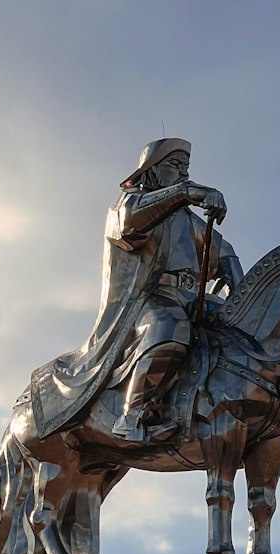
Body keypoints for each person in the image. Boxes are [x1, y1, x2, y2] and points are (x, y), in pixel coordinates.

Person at [106, 138, 244, 440]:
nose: (183, 172)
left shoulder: (184, 218)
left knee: (240, 333)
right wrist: (185, 192)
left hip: (193, 297)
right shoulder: (128, 205)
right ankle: (133, 414)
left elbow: (225, 251)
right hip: (149, 298)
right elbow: (131, 225)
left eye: (186, 167)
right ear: (152, 170)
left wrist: (241, 293)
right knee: (169, 328)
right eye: (175, 165)